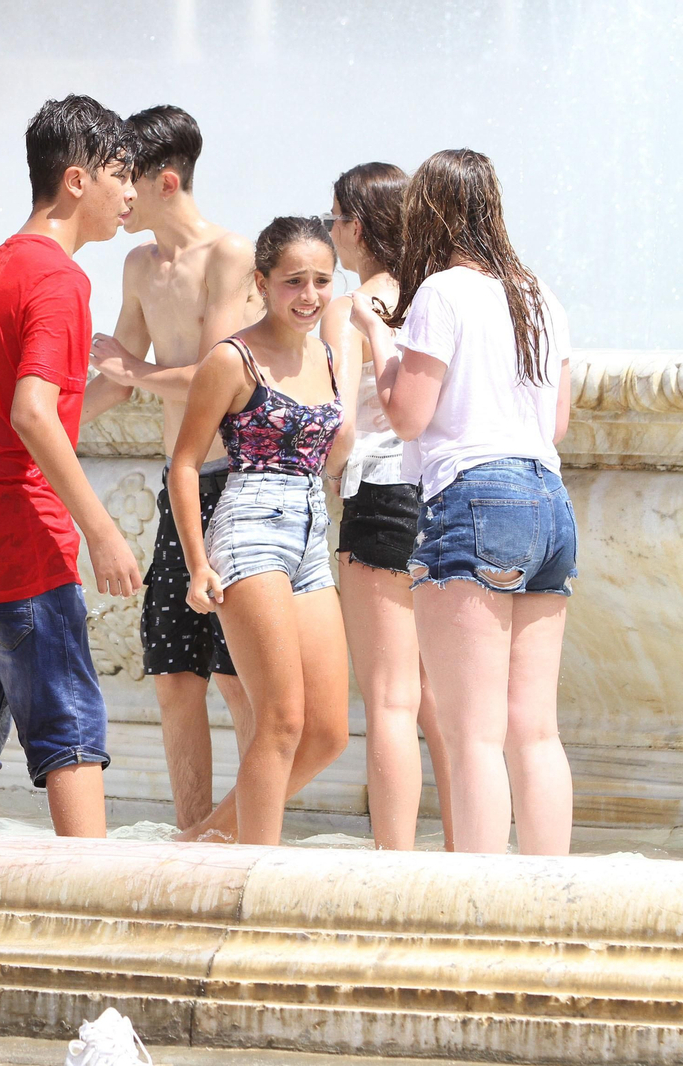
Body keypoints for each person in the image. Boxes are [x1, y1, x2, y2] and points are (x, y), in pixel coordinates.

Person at [0, 95, 142, 839]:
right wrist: (104, 531)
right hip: (26, 540)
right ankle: (95, 929)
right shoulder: (60, 279)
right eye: (121, 175)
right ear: (77, 180)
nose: (131, 194)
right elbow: (32, 414)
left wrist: (116, 387)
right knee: (72, 737)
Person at [349, 148, 575, 856]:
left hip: (474, 497)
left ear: (429, 212)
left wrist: (377, 338)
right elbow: (557, 422)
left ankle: (474, 917)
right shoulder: (538, 296)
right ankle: (554, 903)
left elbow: (408, 414)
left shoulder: (443, 293)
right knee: (533, 729)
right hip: (547, 499)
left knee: (470, 730)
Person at [83, 105, 260, 831]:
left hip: (240, 486)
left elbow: (221, 375)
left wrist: (135, 367)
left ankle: (252, 832)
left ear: (164, 179)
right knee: (175, 677)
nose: (116, 191)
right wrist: (26, 426)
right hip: (179, 485)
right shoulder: (137, 265)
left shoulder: (231, 255)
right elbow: (116, 381)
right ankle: (192, 834)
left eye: (125, 175)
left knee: (237, 680)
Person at [168, 216, 350, 847]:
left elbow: (338, 452)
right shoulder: (231, 358)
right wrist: (197, 564)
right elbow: (186, 464)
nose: (309, 295)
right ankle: (256, 877)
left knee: (327, 732)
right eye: (293, 281)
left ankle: (203, 838)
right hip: (249, 528)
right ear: (262, 282)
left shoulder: (327, 355)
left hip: (310, 538)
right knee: (279, 720)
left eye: (322, 281)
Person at [319, 164, 454, 851]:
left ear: (359, 227)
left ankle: (392, 867)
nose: (329, 233)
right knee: (440, 703)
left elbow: (342, 428)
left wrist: (320, 472)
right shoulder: (437, 296)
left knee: (391, 699)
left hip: (377, 492)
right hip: (440, 496)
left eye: (334, 219)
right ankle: (469, 854)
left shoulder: (351, 308)